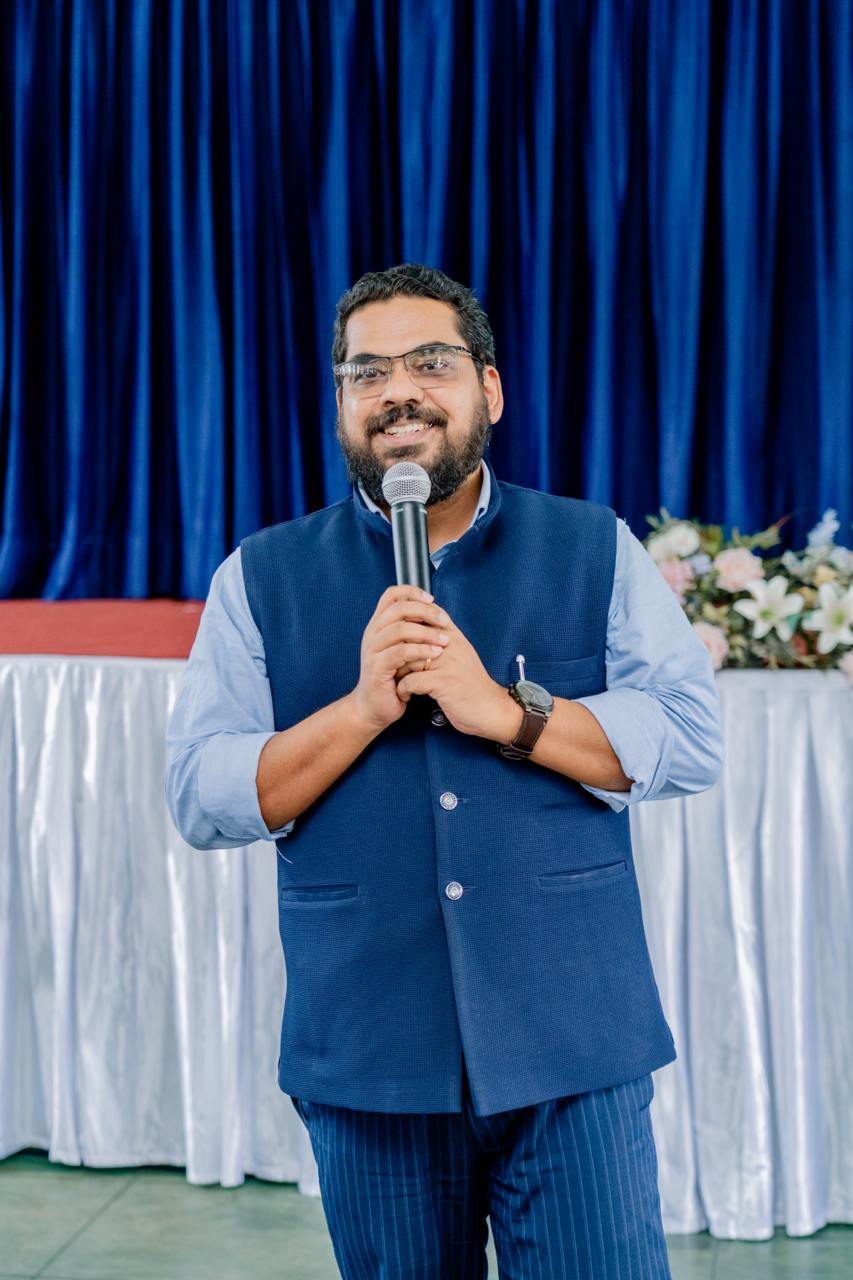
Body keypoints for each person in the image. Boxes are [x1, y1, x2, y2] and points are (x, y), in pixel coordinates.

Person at [165, 263, 723, 1278]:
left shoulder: (590, 544)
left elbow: (689, 737)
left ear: (489, 390)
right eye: (365, 373)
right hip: (368, 1050)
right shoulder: (259, 574)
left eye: (430, 362)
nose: (397, 392)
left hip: (573, 1040)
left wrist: (506, 713)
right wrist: (358, 708)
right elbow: (201, 794)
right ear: (341, 404)